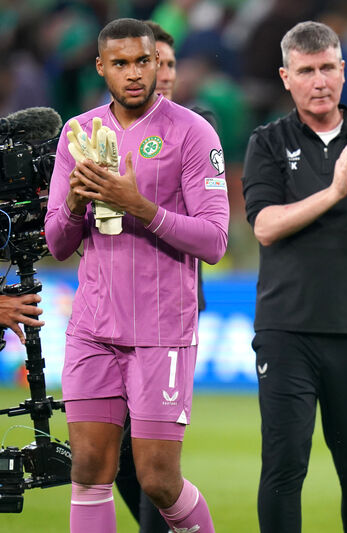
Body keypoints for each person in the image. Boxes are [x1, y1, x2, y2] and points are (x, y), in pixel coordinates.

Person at [44, 18, 228, 533]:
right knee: (88, 470)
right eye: (120, 63)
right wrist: (77, 203)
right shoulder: (77, 134)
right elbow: (58, 244)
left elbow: (214, 241)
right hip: (92, 327)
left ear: (157, 63)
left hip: (162, 330)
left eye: (142, 61)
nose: (133, 73)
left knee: (157, 478)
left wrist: (139, 207)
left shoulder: (192, 132)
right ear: (101, 67)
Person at [241, 21, 347, 533]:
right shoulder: (267, 142)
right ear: (286, 77)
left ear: (343, 70)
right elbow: (264, 226)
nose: (319, 80)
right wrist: (333, 193)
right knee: (284, 468)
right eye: (306, 71)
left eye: (328, 67)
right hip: (287, 330)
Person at [112, 19, 216, 533]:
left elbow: (211, 233)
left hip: (169, 308)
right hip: (111, 313)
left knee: (153, 456)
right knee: (115, 459)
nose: (162, 73)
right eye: (157, 62)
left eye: (167, 64)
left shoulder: (197, 129)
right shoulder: (100, 133)